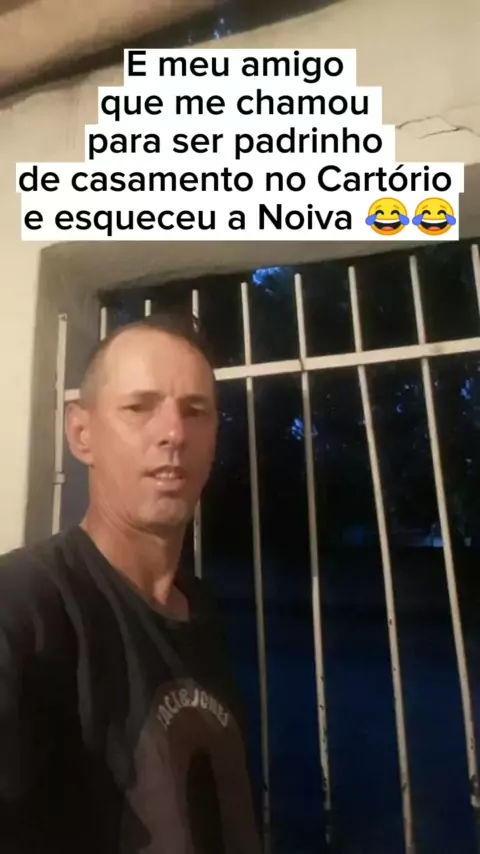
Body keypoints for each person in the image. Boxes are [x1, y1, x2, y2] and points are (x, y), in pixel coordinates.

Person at [0, 313, 262, 854]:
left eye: (195, 411)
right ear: (82, 434)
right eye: (139, 407)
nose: (174, 433)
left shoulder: (203, 613)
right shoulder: (23, 604)